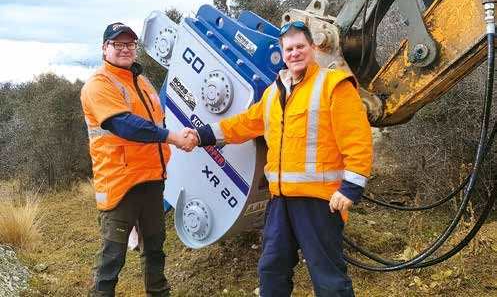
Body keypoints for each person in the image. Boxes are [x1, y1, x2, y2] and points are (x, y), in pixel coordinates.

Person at [184, 21, 372, 296]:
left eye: (300, 47)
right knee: (271, 269)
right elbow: (242, 124)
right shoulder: (273, 94)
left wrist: (350, 188)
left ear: (313, 48)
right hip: (280, 201)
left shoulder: (334, 85)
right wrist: (201, 135)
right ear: (283, 53)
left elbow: (357, 138)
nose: (294, 53)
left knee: (328, 277)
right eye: (289, 49)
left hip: (319, 202)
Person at [80, 22, 196, 296]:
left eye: (130, 44)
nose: (124, 49)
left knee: (155, 248)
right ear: (104, 48)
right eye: (117, 44)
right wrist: (173, 137)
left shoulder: (141, 82)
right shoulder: (99, 84)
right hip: (121, 183)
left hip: (152, 179)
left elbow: (156, 120)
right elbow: (126, 126)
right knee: (113, 257)